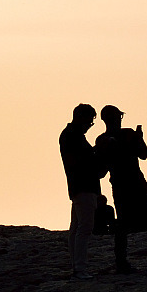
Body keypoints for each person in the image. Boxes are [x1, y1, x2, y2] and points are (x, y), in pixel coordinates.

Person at [95, 105, 147, 273]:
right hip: (130, 182)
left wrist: (137, 140)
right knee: (146, 220)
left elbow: (102, 170)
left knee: (137, 221)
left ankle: (125, 261)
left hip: (124, 183)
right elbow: (143, 154)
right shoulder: (118, 136)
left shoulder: (105, 139)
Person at [60, 105, 103, 278]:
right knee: (84, 228)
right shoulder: (72, 137)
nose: (90, 125)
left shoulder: (71, 135)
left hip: (80, 186)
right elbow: (81, 162)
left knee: (77, 227)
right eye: (89, 121)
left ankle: (77, 266)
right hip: (83, 186)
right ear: (80, 117)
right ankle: (80, 268)